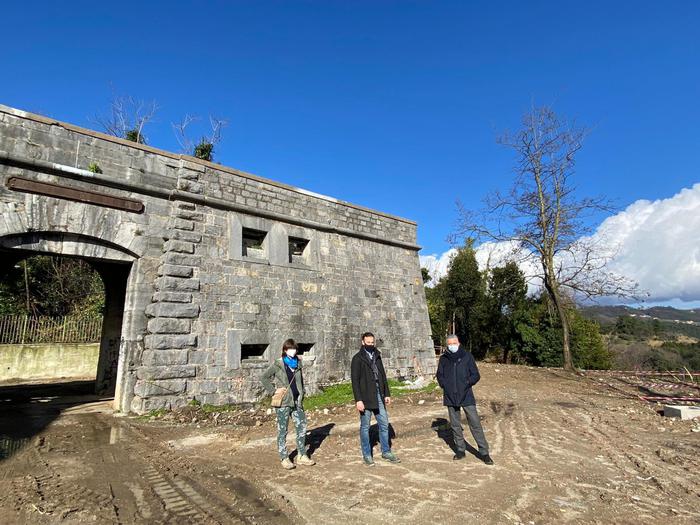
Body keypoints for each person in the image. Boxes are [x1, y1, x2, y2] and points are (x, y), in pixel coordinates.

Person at [436, 334, 494, 465]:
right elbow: (439, 375)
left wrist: (467, 382)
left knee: (475, 423)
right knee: (455, 425)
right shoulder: (444, 359)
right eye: (449, 344)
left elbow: (476, 375)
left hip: (466, 395)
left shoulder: (467, 356)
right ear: (447, 346)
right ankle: (460, 450)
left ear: (458, 343)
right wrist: (445, 385)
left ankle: (484, 452)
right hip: (450, 396)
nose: (452, 346)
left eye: (454, 343)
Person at [260, 339, 316, 470]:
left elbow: (300, 381)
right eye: (290, 349)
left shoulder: (298, 363)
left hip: (297, 402)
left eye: (295, 349)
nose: (293, 351)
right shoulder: (278, 364)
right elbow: (264, 377)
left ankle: (302, 455)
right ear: (285, 350)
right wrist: (273, 391)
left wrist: (302, 394)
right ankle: (284, 457)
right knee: (282, 430)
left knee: (302, 427)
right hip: (284, 402)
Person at [350, 332, 400, 466]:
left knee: (384, 424)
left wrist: (387, 393)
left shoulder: (377, 356)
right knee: (365, 427)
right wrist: (358, 400)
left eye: (372, 342)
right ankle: (367, 455)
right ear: (362, 342)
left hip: (378, 394)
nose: (371, 345)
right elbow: (355, 381)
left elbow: (382, 375)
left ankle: (386, 451)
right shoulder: (357, 359)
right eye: (368, 342)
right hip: (365, 397)